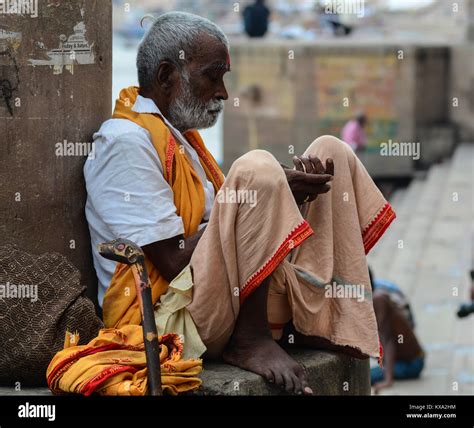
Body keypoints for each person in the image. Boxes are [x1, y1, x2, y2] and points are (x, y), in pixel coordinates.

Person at [81, 12, 396, 396]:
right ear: (166, 76)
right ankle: (250, 340)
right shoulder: (124, 142)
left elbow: (230, 236)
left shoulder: (184, 143)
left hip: (219, 300)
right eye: (213, 77)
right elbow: (171, 259)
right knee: (257, 168)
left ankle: (334, 320)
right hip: (173, 320)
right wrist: (263, 195)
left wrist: (282, 199)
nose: (223, 93)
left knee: (332, 151)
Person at [369, 268, 425, 393]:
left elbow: (388, 340)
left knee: (363, 376)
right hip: (408, 361)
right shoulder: (377, 295)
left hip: (411, 364)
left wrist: (388, 380)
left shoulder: (379, 299)